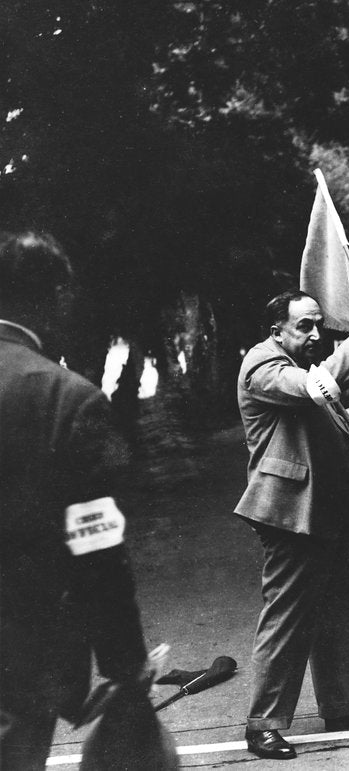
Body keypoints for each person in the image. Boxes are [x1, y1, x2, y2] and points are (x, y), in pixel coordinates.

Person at [0, 232, 150, 770]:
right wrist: (125, 662)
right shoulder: (65, 398)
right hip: (18, 653)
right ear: (53, 296)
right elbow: (97, 544)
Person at [235, 289, 349, 761]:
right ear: (276, 331)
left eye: (318, 326)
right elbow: (318, 390)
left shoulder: (296, 363)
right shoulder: (263, 365)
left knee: (340, 606)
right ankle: (262, 723)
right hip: (288, 511)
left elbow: (337, 392)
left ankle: (346, 705)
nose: (314, 334)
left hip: (325, 505)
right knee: (286, 617)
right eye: (304, 326)